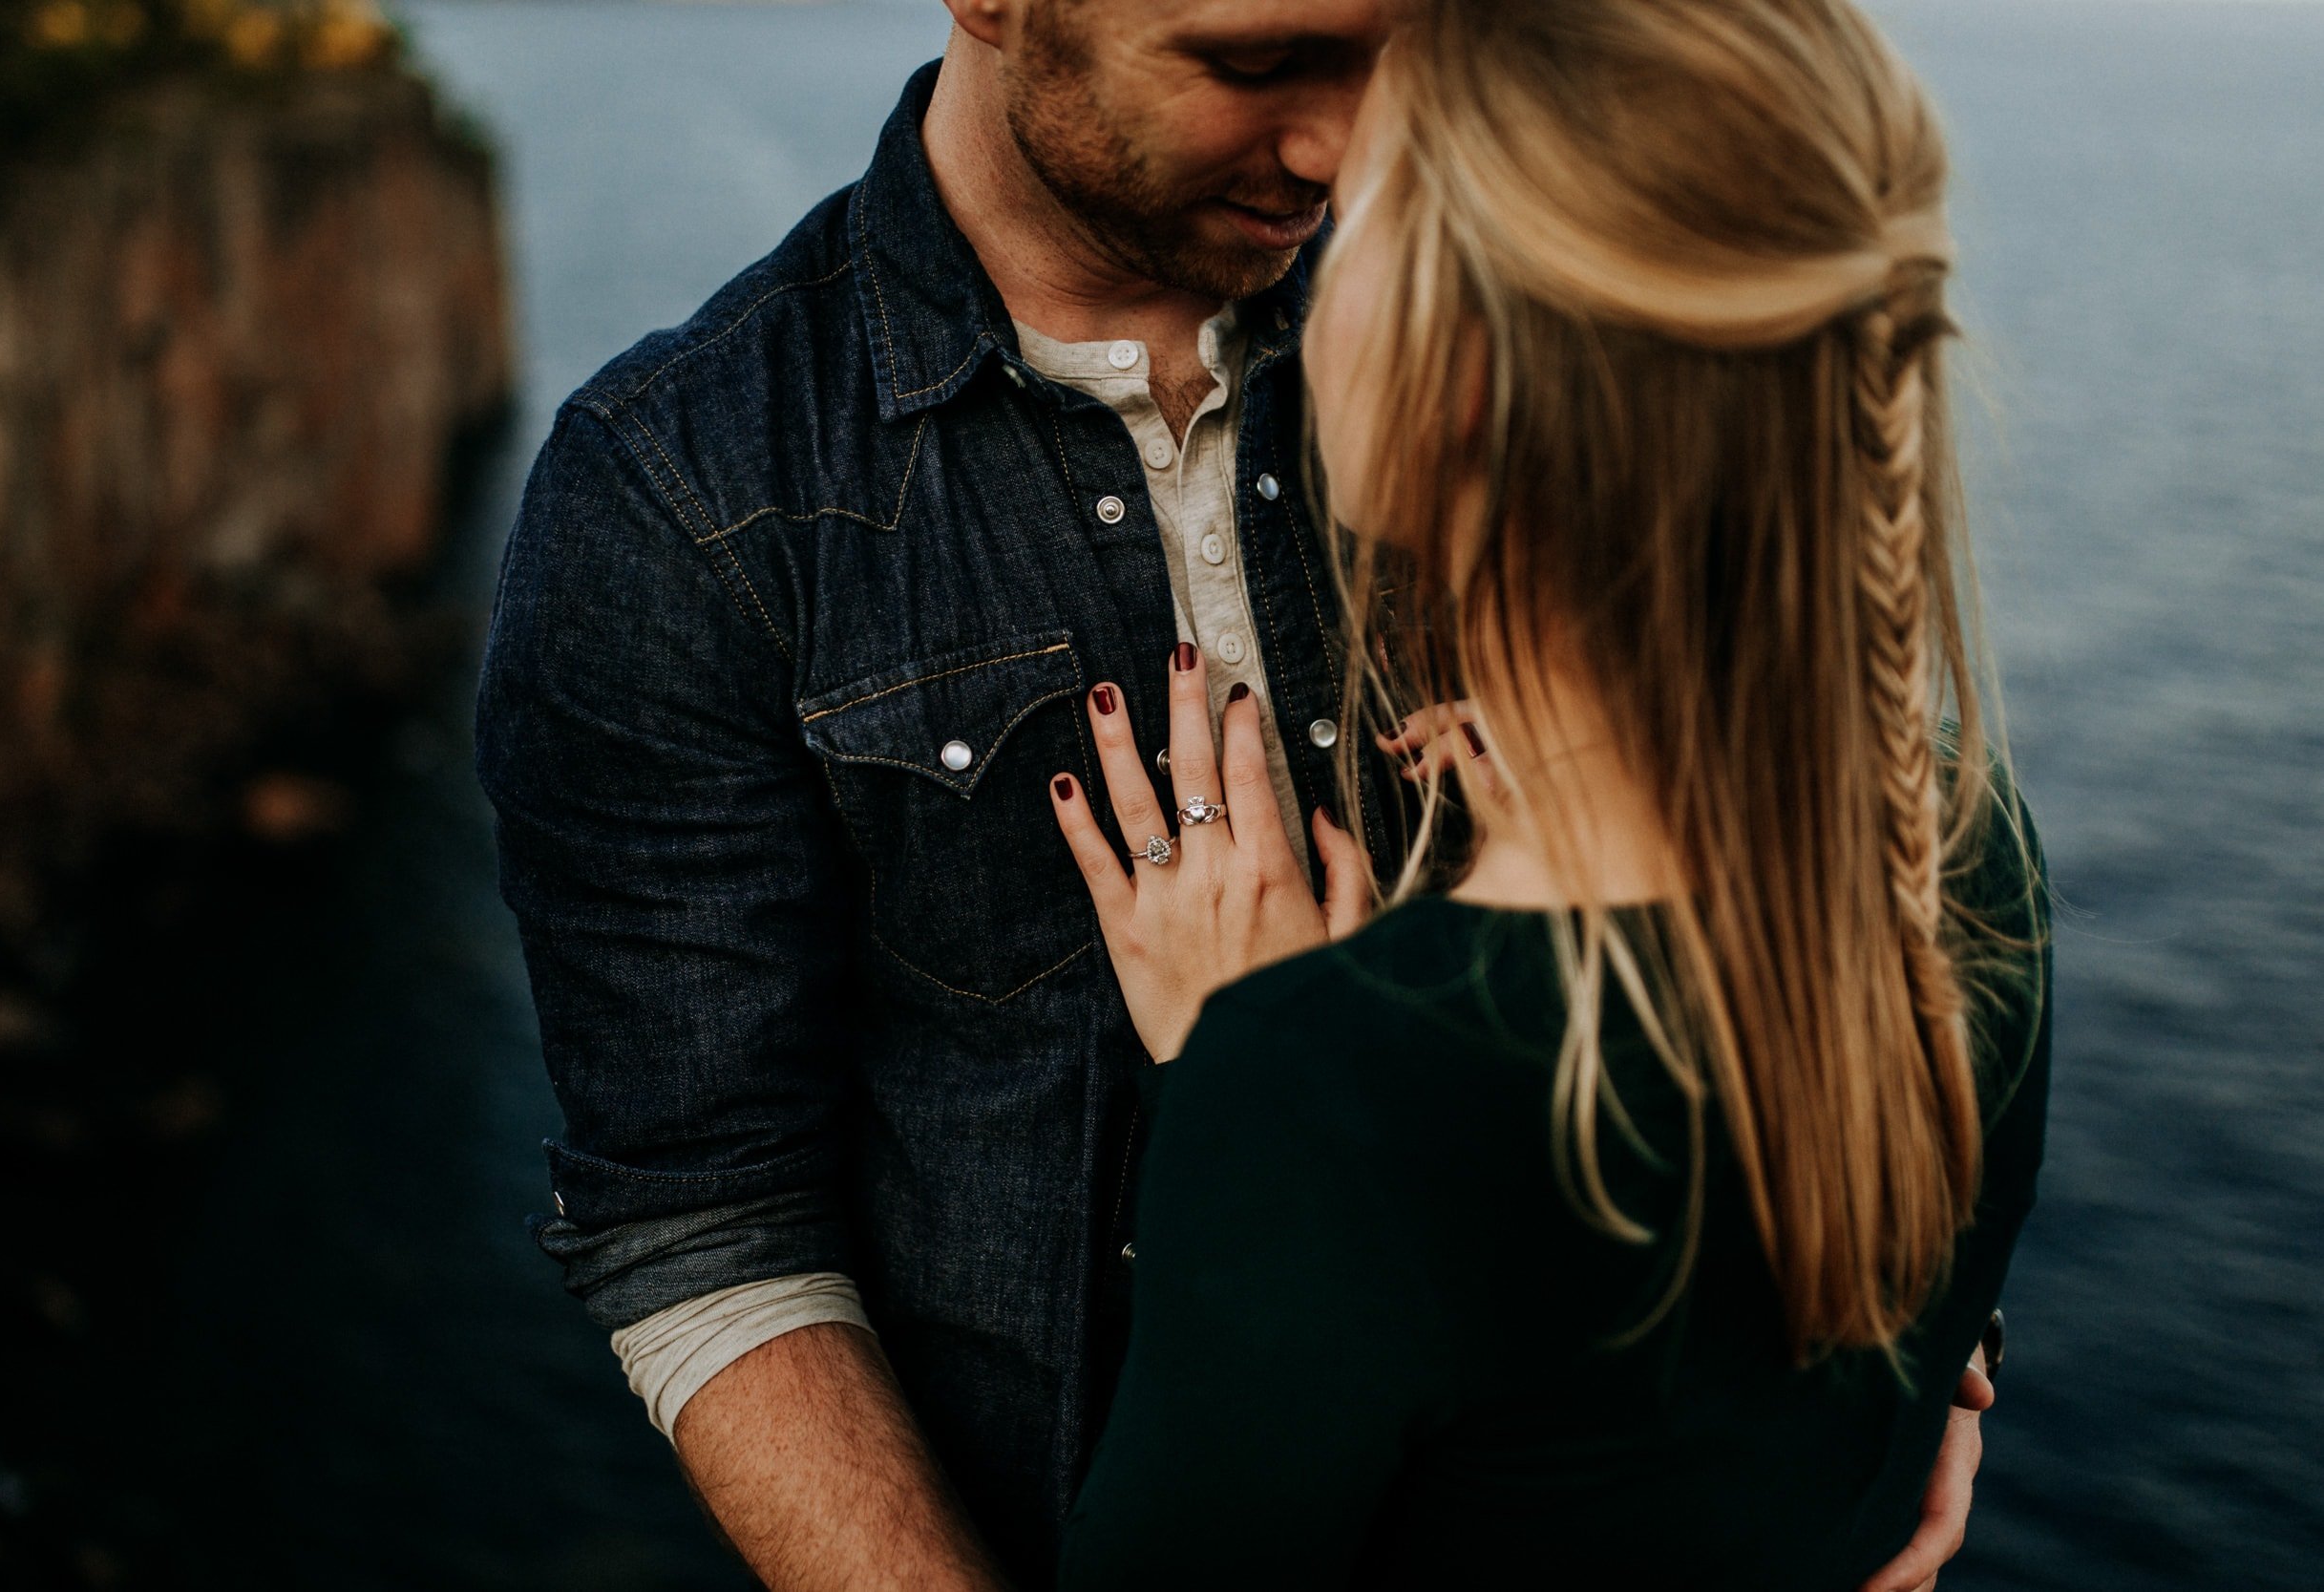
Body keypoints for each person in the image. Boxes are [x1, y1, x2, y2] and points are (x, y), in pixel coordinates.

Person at [473, 1, 1998, 1586]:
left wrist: (1874, 1368)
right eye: (1258, 65)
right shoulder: (676, 498)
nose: (1345, 149)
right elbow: (704, 1221)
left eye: (1402, 50)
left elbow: (1815, 828)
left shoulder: (1497, 325)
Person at [1049, 0, 2048, 1585]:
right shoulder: (1963, 839)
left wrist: (1235, 1058)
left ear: (1460, 372)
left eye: (1372, 215)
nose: (1317, 241)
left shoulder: (1320, 1088)